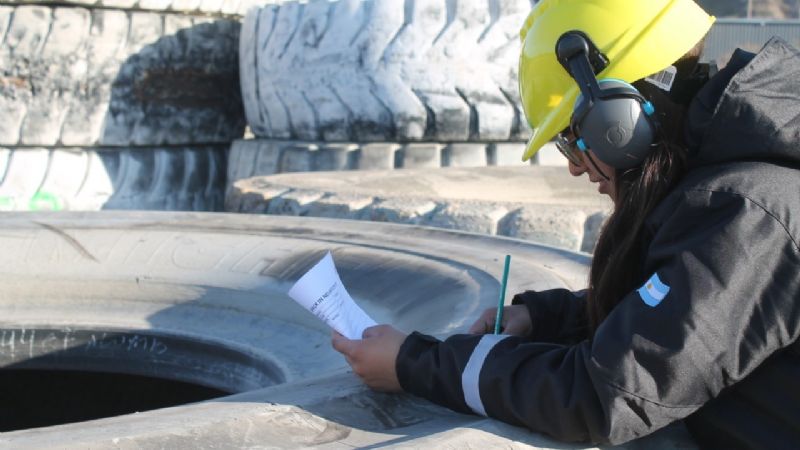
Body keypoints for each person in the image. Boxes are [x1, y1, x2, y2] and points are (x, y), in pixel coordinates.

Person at [332, 0, 800, 447]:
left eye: (572, 140)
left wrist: (415, 364)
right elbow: (681, 306)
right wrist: (545, 317)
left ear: (618, 119)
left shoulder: (745, 214)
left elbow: (606, 395)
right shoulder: (736, 193)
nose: (576, 167)